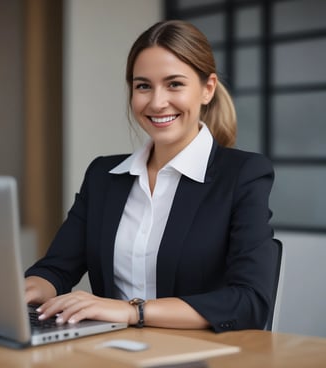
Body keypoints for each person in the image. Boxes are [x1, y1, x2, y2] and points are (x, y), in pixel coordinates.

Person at [25, 20, 276, 332]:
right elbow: (56, 268)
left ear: (207, 89)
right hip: (109, 351)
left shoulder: (243, 175)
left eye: (174, 84)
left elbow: (249, 301)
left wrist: (133, 311)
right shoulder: (104, 175)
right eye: (143, 86)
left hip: (200, 355)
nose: (157, 102)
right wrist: (24, 292)